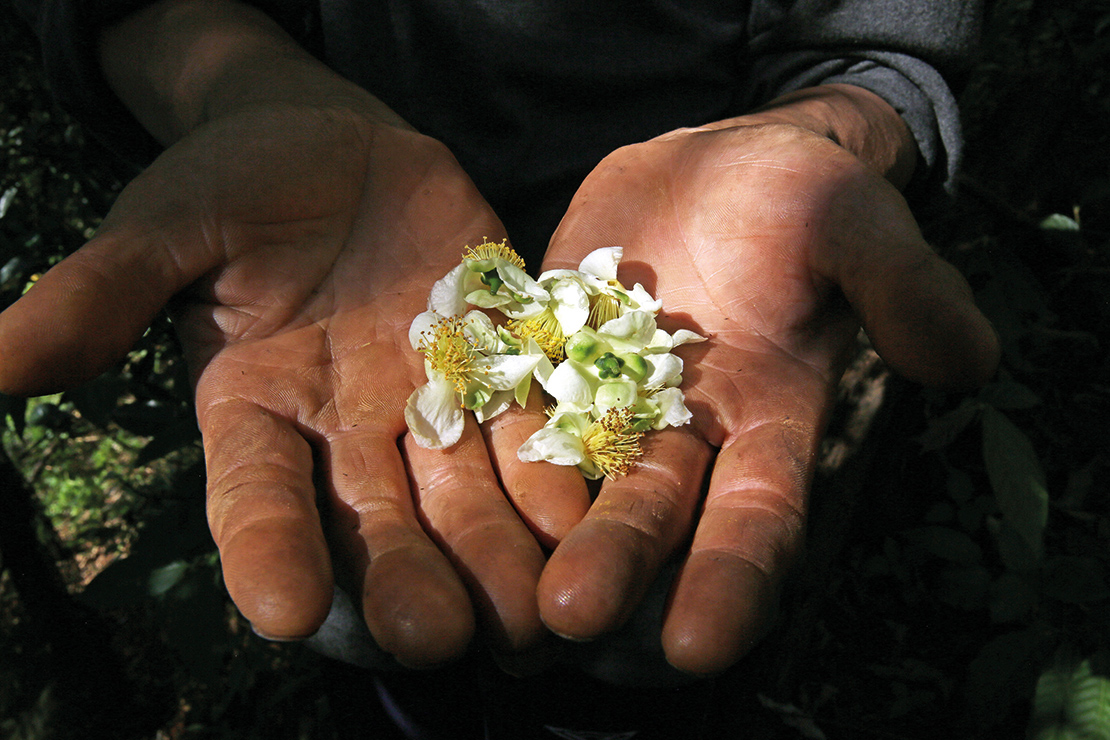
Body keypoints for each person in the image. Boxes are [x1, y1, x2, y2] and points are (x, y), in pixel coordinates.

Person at [4, 0, 1000, 733]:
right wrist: (242, 84)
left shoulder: (621, 359)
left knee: (650, 658)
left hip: (709, 396)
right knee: (411, 650)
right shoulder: (452, 367)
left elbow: (880, 49)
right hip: (350, 399)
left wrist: (822, 130)